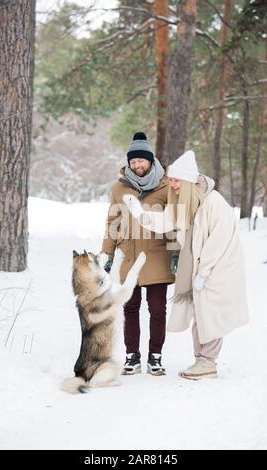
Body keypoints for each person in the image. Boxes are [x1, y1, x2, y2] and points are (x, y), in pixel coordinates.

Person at [123, 150, 249, 380]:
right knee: (199, 312)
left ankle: (208, 362)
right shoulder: (187, 202)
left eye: (176, 180)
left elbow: (218, 241)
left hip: (219, 265)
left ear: (189, 180)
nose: (172, 184)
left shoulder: (213, 202)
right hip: (198, 266)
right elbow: (166, 221)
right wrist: (140, 214)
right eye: (170, 179)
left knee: (209, 312)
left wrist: (204, 271)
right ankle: (201, 359)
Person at [101, 132, 175, 376]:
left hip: (157, 255)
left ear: (150, 161)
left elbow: (177, 222)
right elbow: (111, 223)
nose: (137, 165)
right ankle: (132, 356)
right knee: (130, 308)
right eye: (133, 162)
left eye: (141, 161)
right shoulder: (119, 189)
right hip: (128, 256)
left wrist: (176, 253)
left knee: (157, 309)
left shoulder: (166, 187)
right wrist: (107, 254)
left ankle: (156, 356)